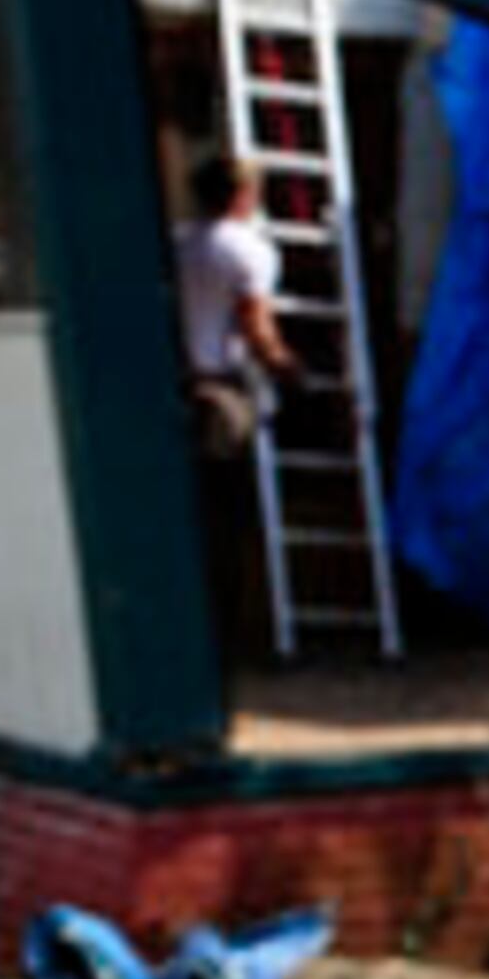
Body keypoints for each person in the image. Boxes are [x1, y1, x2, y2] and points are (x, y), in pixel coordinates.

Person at [174, 154, 299, 656]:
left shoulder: (177, 243)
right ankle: (227, 637)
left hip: (178, 384)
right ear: (245, 195)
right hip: (220, 391)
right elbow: (256, 326)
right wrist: (292, 371)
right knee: (227, 518)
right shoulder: (249, 250)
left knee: (191, 515)